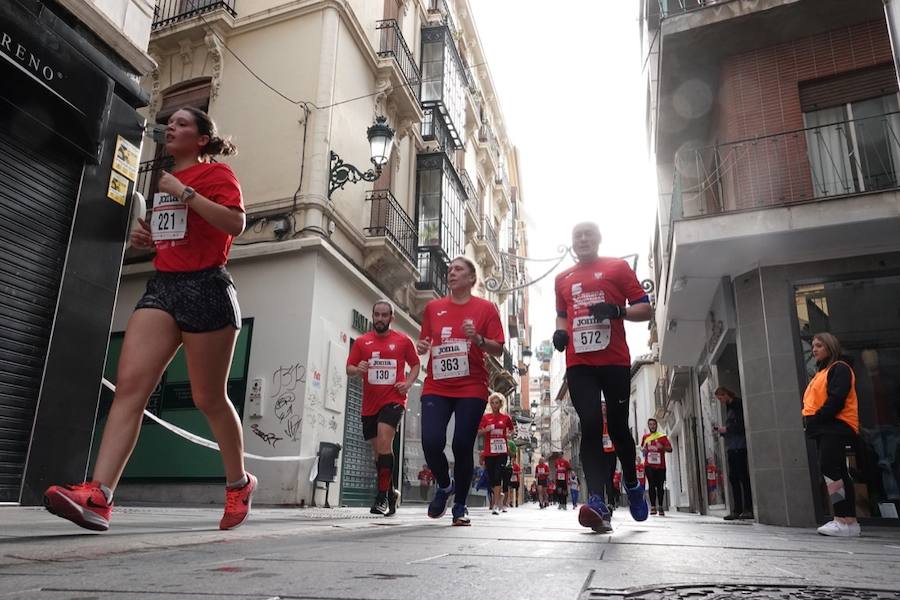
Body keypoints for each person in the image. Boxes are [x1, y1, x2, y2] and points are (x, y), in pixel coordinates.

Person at [44, 108, 253, 531]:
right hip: (163, 287)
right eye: (169, 123)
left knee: (208, 398)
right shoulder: (160, 186)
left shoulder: (217, 176)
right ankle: (100, 496)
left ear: (201, 138)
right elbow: (174, 236)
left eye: (181, 123)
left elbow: (236, 222)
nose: (170, 128)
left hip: (207, 289)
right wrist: (148, 236)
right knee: (130, 390)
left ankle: (238, 483)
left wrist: (185, 193)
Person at [553, 222, 652, 532]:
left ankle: (634, 486)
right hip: (579, 364)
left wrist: (617, 311)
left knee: (619, 429)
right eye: (577, 236)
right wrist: (559, 330)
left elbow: (645, 309)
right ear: (572, 243)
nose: (582, 240)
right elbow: (562, 314)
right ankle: (597, 500)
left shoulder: (617, 267)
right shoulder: (562, 278)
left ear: (598, 240)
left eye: (588, 235)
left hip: (614, 361)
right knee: (591, 425)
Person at [417, 256, 505, 526]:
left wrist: (477, 338)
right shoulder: (433, 308)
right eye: (449, 269)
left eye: (458, 269)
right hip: (437, 383)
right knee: (431, 442)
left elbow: (498, 348)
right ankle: (444, 485)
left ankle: (460, 505)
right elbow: (426, 341)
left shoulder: (486, 308)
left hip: (471, 385)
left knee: (461, 445)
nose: (451, 272)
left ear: (470, 278)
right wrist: (422, 347)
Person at [346, 300, 421, 516]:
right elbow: (349, 368)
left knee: (385, 441)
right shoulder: (362, 342)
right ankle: (391, 493)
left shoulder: (402, 341)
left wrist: (407, 384)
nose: (379, 318)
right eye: (376, 315)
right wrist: (357, 368)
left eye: (384, 315)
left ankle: (381, 500)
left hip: (394, 400)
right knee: (378, 452)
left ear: (391, 317)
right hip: (370, 404)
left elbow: (415, 364)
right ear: (372, 315)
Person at [802, 333, 861, 537]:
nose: (814, 349)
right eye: (813, 346)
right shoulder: (823, 371)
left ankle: (842, 519)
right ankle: (848, 521)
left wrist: (817, 418)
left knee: (831, 470)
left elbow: (836, 399)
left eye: (819, 345)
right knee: (837, 471)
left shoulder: (840, 368)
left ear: (830, 346)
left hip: (834, 425)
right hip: (827, 426)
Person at [714, 386, 753, 520]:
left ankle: (747, 508)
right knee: (734, 477)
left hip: (739, 445)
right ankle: (738, 509)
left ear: (725, 395)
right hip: (733, 445)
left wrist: (726, 429)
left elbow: (741, 425)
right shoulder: (730, 407)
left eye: (720, 398)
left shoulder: (736, 405)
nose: (720, 401)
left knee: (742, 476)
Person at [479, 393, 515, 515]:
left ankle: (495, 504)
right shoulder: (485, 417)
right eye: (493, 403)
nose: (495, 405)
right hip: (489, 452)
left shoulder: (506, 418)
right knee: (492, 478)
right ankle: (499, 499)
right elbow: (479, 432)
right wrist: (486, 430)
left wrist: (509, 435)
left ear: (501, 404)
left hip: (501, 451)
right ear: (490, 404)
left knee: (498, 475)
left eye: (497, 403)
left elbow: (511, 429)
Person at [641, 418, 673, 516]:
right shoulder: (645, 437)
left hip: (660, 466)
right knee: (651, 484)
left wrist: (662, 447)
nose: (652, 426)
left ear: (656, 425)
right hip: (649, 465)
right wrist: (644, 451)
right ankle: (653, 507)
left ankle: (660, 506)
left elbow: (670, 449)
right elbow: (643, 449)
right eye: (650, 424)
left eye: (654, 424)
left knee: (660, 486)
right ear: (648, 426)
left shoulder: (662, 437)